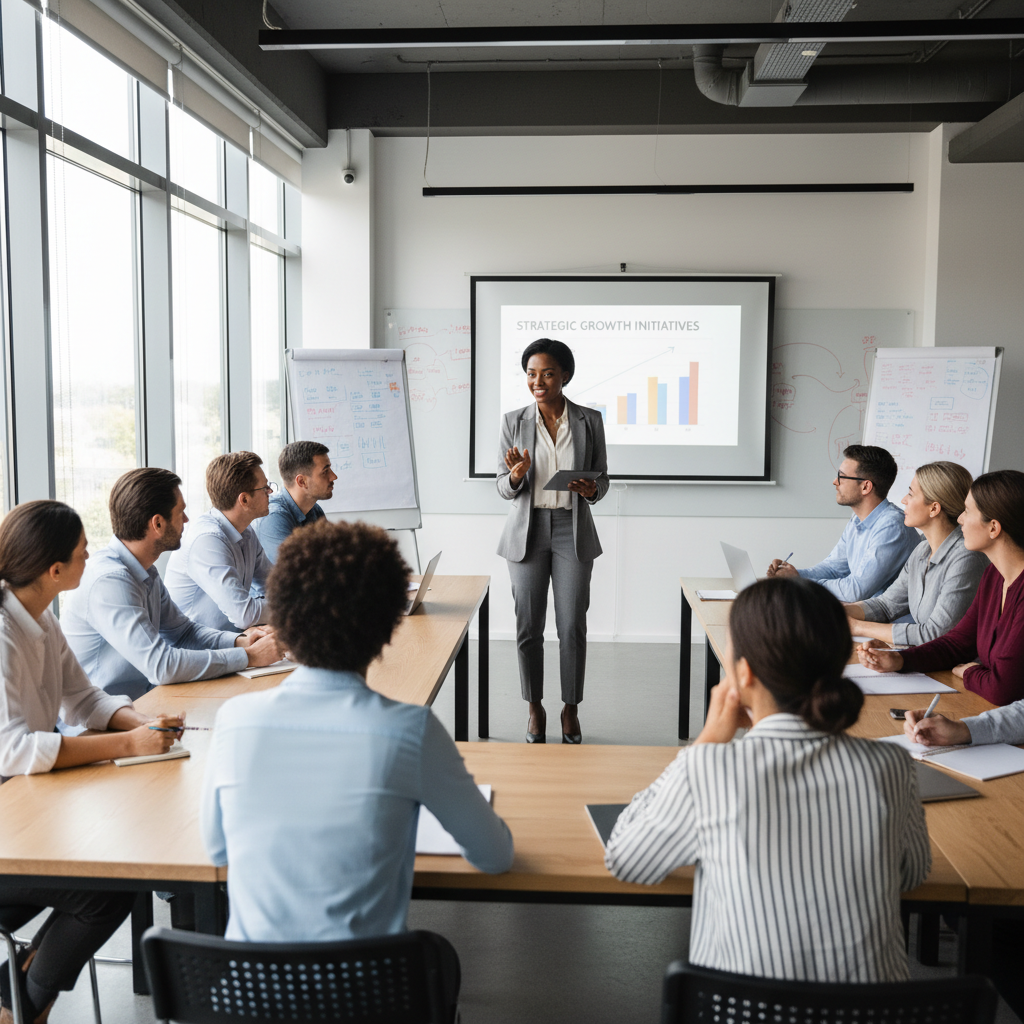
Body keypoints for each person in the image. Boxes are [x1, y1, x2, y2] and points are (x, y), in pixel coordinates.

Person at [200, 520, 513, 1021]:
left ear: (285, 619)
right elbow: (495, 856)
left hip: (250, 1000)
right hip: (364, 1001)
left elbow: (217, 849)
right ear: (389, 624)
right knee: (442, 960)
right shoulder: (410, 731)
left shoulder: (234, 721)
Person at [605, 577, 930, 983]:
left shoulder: (711, 767)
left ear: (743, 673)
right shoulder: (891, 765)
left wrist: (705, 743)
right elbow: (912, 873)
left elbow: (627, 860)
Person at [0, 500, 183, 1024]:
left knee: (115, 869)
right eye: (82, 552)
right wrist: (127, 746)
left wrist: (142, 726)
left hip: (20, 812)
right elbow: (12, 748)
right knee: (104, 890)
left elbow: (83, 699)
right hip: (9, 831)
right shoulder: (3, 633)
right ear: (54, 570)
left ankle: (16, 991)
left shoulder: (38, 617)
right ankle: (22, 1006)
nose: (91, 557)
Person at [62, 468, 281, 701]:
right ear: (157, 523)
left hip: (143, 703)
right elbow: (161, 666)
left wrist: (241, 642)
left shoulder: (146, 570)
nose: (186, 520)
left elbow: (184, 633)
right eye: (181, 512)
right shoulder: (110, 581)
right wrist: (248, 657)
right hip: (102, 721)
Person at [496, 338, 609, 744]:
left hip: (571, 529)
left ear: (565, 375)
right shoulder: (513, 420)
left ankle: (570, 709)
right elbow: (503, 487)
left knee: (571, 626)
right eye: (530, 373)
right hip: (527, 531)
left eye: (546, 373)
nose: (537, 381)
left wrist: (590, 489)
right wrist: (515, 475)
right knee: (528, 627)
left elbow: (603, 479)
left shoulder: (589, 420)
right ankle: (534, 708)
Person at [858, 469, 1024, 706]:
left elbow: (1001, 690)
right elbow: (957, 642)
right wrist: (900, 660)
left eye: (967, 512)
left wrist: (969, 672)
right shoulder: (994, 576)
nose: (960, 519)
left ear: (993, 528)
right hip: (988, 706)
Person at [846, 461, 986, 646]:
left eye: (911, 494)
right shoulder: (922, 549)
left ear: (934, 509)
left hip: (955, 670)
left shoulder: (967, 558)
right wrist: (837, 611)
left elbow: (934, 634)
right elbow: (887, 605)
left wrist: (856, 627)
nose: (904, 499)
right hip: (928, 663)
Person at [767, 444, 919, 601]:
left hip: (886, 620)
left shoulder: (892, 527)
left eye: (842, 477)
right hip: (864, 613)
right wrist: (794, 574)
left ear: (866, 486)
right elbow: (833, 568)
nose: (835, 482)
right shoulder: (857, 519)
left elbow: (855, 590)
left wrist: (799, 581)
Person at [164, 451, 274, 631]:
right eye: (265, 488)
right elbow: (244, 614)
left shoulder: (246, 531)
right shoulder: (208, 540)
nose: (270, 492)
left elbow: (273, 585)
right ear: (244, 499)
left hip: (230, 642)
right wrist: (295, 609)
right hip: (196, 650)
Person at [252, 441, 337, 563]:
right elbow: (296, 573)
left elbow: (335, 555)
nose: (333, 476)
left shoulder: (314, 510)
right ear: (302, 482)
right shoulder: (273, 517)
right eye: (325, 472)